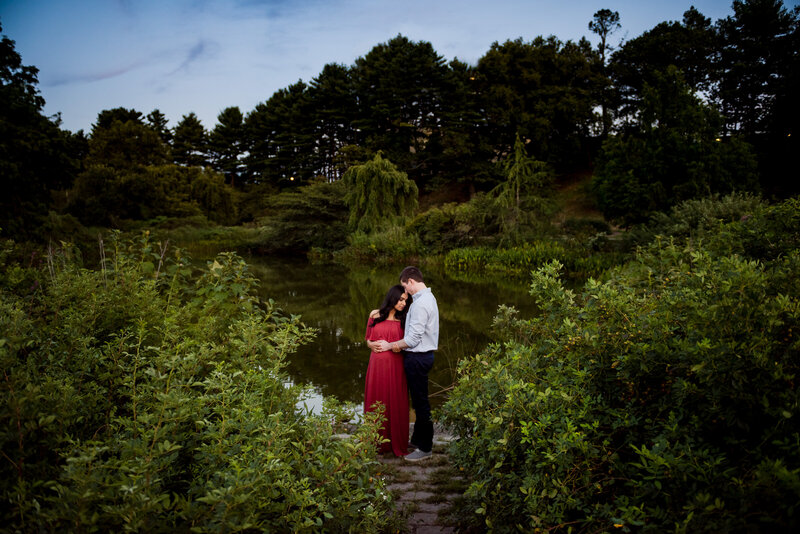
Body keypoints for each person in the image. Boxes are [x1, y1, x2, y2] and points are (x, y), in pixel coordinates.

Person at [374, 266, 439, 462]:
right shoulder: (428, 298)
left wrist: (389, 345)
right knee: (419, 400)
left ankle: (425, 448)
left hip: (418, 357)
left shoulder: (420, 304)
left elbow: (412, 339)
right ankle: (418, 440)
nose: (405, 292)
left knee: (421, 404)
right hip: (422, 357)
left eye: (405, 286)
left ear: (411, 281)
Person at [364, 285, 410, 457]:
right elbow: (367, 339)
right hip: (376, 365)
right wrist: (370, 344)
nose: (403, 303)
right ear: (392, 298)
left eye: (405, 300)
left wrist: (397, 347)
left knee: (394, 399)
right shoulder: (374, 315)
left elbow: (409, 343)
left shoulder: (404, 320)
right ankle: (375, 441)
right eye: (401, 299)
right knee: (377, 397)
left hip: (395, 366)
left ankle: (394, 442)